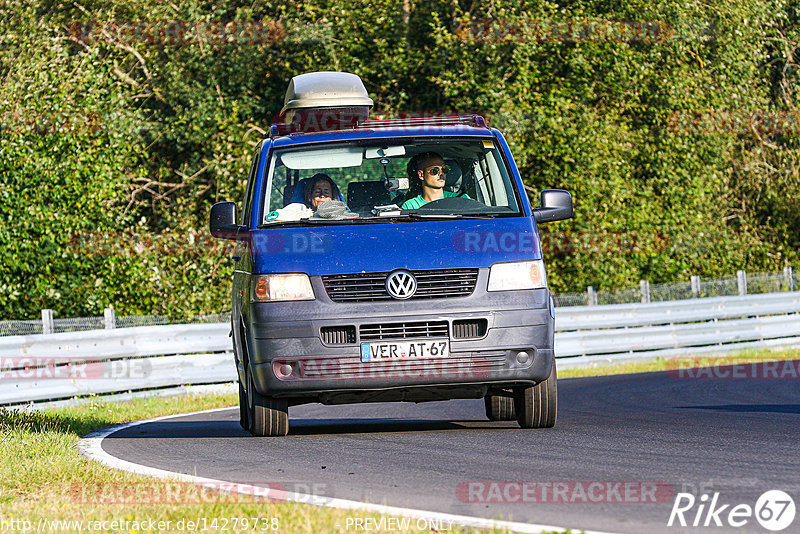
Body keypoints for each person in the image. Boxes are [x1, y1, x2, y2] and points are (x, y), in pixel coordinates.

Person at [400, 152, 465, 209]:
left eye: (445, 169)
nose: (441, 173)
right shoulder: (411, 206)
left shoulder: (461, 199)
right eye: (435, 170)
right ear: (421, 175)